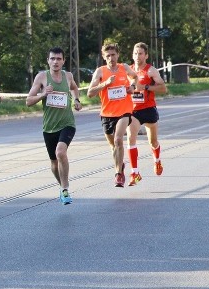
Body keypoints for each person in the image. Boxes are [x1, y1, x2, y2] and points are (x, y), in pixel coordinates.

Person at [25, 47, 82, 205]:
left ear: (63, 61)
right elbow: (28, 101)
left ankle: (65, 188)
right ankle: (62, 187)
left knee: (60, 152)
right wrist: (43, 94)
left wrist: (76, 100)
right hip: (49, 127)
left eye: (58, 59)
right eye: (52, 59)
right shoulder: (42, 77)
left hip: (67, 123)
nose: (55, 62)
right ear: (48, 61)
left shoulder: (68, 76)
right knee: (54, 163)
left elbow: (74, 88)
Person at [87, 42, 138, 187]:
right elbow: (90, 93)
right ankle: (120, 165)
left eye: (113, 55)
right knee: (113, 146)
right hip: (107, 113)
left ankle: (118, 175)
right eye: (108, 56)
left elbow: (134, 77)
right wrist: (105, 84)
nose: (111, 58)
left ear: (118, 55)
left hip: (124, 111)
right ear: (104, 57)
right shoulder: (100, 72)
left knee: (118, 140)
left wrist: (132, 87)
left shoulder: (124, 67)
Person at [126, 42, 167, 184]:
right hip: (133, 111)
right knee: (131, 138)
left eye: (141, 53)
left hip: (148, 109)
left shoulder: (151, 71)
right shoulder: (128, 71)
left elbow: (163, 88)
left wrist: (146, 87)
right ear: (132, 55)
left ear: (146, 55)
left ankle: (157, 161)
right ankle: (135, 173)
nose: (138, 56)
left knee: (153, 141)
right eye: (135, 53)